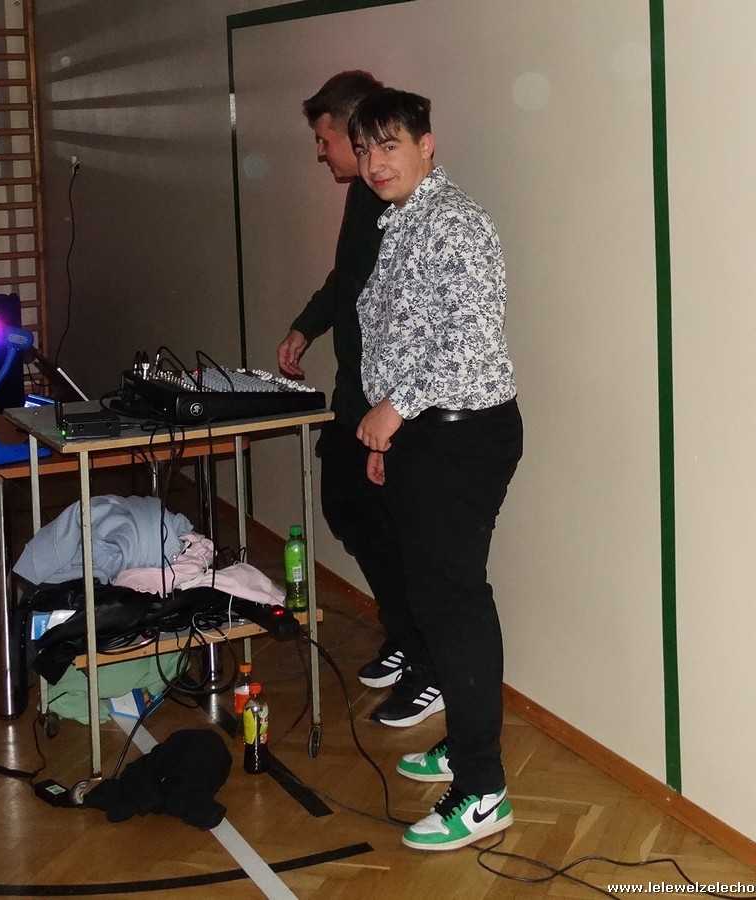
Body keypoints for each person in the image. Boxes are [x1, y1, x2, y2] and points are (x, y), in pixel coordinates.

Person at [347, 89, 522, 851]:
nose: (374, 162)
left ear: (426, 144)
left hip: (463, 435)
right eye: (364, 149)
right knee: (436, 598)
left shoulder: (454, 222)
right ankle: (464, 744)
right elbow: (403, 335)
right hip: (426, 435)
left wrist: (396, 410)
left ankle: (483, 791)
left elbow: (470, 340)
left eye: (389, 145)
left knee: (454, 604)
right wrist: (389, 435)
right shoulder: (403, 221)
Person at [275, 71, 429, 721]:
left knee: (389, 530)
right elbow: (349, 279)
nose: (322, 153)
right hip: (356, 392)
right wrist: (306, 326)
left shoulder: (400, 201)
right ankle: (406, 635)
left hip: (385, 399)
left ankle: (427, 657)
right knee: (348, 510)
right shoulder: (364, 195)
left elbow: (407, 317)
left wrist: (385, 413)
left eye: (324, 139)